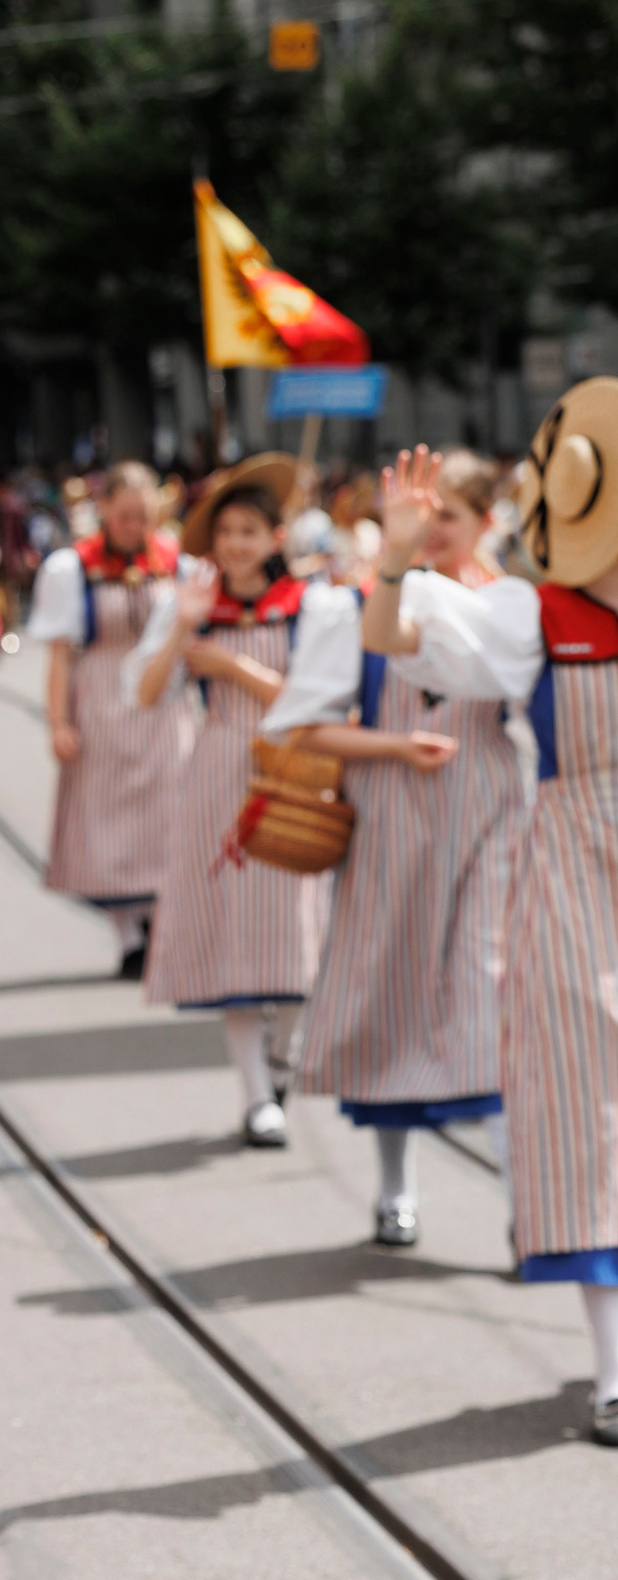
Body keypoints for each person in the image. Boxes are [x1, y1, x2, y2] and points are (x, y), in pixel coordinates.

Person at [355, 379, 618, 1446]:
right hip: (571, 858)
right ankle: (612, 1364)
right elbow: (394, 637)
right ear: (605, 504)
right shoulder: (526, 615)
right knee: (592, 1098)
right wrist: (398, 551)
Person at [264, 447, 524, 1248]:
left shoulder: (517, 611)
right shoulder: (356, 606)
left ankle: (525, 1210)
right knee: (392, 998)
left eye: (449, 514)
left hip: (491, 824)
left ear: (486, 521)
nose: (434, 529)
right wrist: (392, 747)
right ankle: (394, 1189)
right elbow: (304, 729)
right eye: (422, 513)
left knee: (491, 1003)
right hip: (394, 828)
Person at [127, 456, 335, 1147]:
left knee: (296, 934)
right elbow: (148, 692)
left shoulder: (311, 606)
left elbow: (317, 700)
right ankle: (254, 1094)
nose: (237, 544)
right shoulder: (191, 606)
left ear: (277, 538)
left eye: (250, 530)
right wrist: (185, 628)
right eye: (227, 532)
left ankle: (281, 1058)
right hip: (217, 774)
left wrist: (236, 667)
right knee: (232, 940)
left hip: (288, 771)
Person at [28, 461, 190, 977]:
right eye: (124, 515)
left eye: (142, 515)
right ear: (104, 511)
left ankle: (159, 920)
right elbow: (61, 654)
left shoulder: (175, 563)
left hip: (161, 705)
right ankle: (126, 933)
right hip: (100, 701)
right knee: (106, 819)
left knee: (168, 814)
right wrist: (59, 722)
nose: (133, 525)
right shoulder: (72, 569)